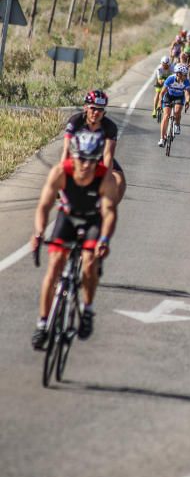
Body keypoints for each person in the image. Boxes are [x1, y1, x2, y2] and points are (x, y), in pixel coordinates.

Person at [31, 132, 118, 349]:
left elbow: (109, 213)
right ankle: (43, 324)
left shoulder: (105, 177)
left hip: (92, 221)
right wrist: (39, 232)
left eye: (92, 160)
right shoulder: (61, 172)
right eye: (81, 158)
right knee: (54, 267)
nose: (86, 165)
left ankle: (87, 310)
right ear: (73, 155)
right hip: (68, 218)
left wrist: (104, 240)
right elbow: (44, 206)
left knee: (89, 263)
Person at [62, 90, 126, 204]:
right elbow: (66, 149)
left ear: (104, 112)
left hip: (99, 156)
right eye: (93, 108)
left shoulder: (110, 127)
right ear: (86, 107)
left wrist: (105, 179)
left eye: (100, 109)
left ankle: (108, 208)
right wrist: (63, 176)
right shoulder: (75, 121)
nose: (96, 112)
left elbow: (108, 155)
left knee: (120, 180)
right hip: (78, 156)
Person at [158, 63, 190, 145]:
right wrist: (159, 103)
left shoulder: (186, 81)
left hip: (179, 97)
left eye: (186, 74)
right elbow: (162, 93)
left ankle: (177, 124)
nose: (185, 76)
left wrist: (187, 101)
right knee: (166, 116)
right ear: (178, 74)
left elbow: (187, 94)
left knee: (177, 111)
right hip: (169, 96)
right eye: (184, 75)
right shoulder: (170, 79)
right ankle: (162, 139)